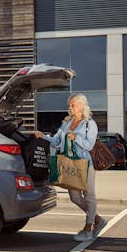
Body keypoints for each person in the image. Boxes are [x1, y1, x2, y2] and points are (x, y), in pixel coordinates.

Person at [35, 93, 108, 242]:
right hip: (69, 163)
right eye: (69, 105)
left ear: (81, 105)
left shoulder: (90, 124)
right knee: (74, 197)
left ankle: (88, 228)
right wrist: (43, 136)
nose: (70, 108)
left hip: (85, 163)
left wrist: (76, 137)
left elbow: (89, 145)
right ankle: (98, 219)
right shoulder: (67, 123)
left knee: (89, 196)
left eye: (72, 105)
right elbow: (56, 141)